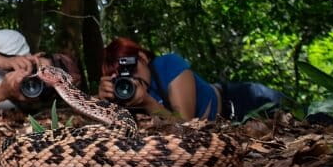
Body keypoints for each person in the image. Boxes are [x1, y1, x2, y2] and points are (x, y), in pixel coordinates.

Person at [98, 37, 285, 121]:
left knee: (304, 117)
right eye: (119, 75)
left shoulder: (167, 64)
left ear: (143, 57)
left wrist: (148, 103)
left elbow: (185, 124)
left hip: (242, 100)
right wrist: (102, 104)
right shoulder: (123, 94)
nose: (128, 78)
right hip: (230, 126)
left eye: (130, 69)